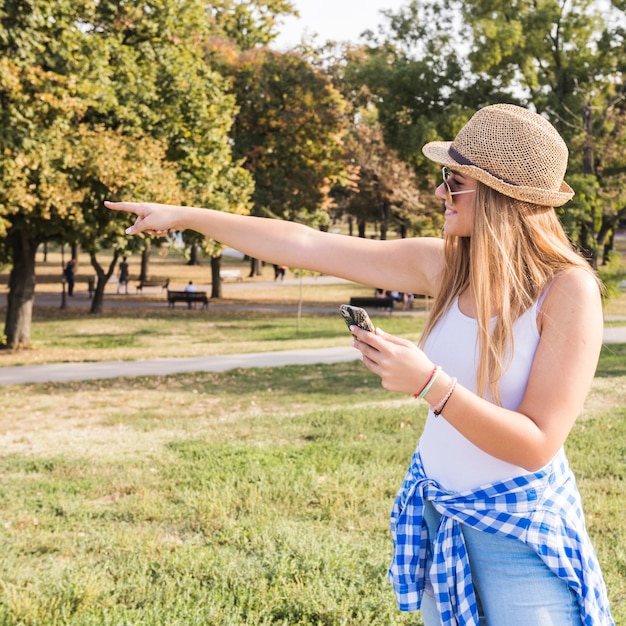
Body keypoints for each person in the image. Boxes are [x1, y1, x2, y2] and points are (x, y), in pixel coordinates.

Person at [105, 103, 613, 625]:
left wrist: (431, 385)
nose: (439, 192)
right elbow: (306, 243)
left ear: (499, 194)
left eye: (452, 180)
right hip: (442, 519)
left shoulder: (567, 290)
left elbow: (537, 443)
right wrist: (185, 216)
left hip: (519, 536)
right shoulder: (445, 265)